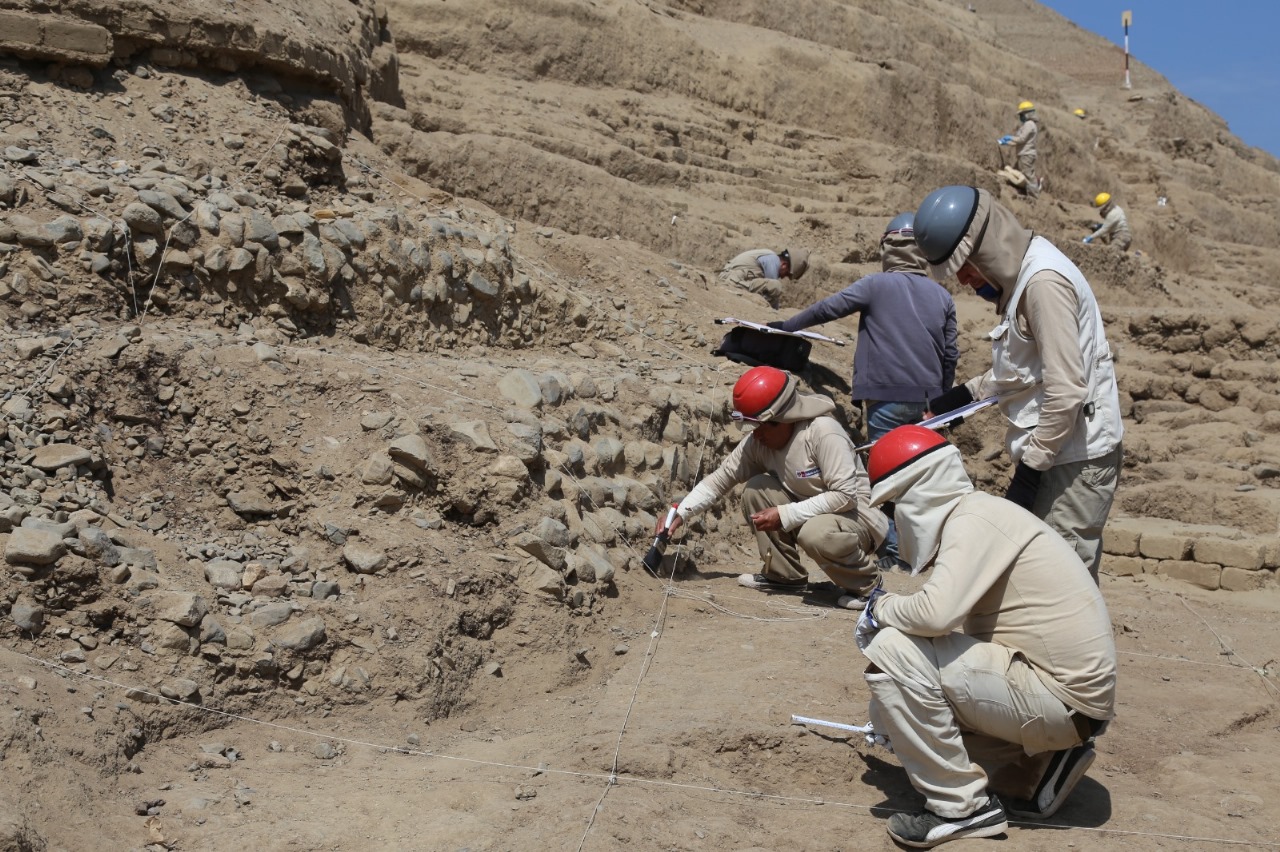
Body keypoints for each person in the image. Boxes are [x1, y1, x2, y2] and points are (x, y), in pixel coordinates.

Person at [854, 424, 1117, 847]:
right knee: (900, 714)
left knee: (892, 650)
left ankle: (962, 809)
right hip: (1070, 702)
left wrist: (878, 609)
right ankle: (1039, 768)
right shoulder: (979, 513)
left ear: (914, 494)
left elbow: (935, 615)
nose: (893, 518)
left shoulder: (972, 520)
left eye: (892, 506)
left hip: (1060, 698)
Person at [913, 185, 1124, 580]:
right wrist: (954, 403)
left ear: (987, 249)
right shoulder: (1023, 281)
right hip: (1056, 453)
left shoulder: (1043, 285)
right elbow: (1021, 373)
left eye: (966, 266)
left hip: (1073, 460)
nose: (963, 280)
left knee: (1059, 584)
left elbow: (1066, 390)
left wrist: (1029, 474)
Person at [769, 212, 959, 572]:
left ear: (888, 248)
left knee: (886, 478)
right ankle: (930, 551)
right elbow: (950, 355)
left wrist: (787, 326)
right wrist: (941, 402)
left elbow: (829, 308)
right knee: (923, 478)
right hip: (929, 403)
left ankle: (896, 553)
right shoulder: (942, 296)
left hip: (885, 398)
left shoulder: (876, 285)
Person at [655, 365, 886, 609]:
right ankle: (784, 576)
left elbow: (844, 496)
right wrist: (681, 513)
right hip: (814, 513)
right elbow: (721, 479)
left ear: (783, 418)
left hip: (856, 519)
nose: (755, 435)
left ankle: (869, 587)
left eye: (760, 426)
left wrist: (786, 514)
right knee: (757, 489)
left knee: (815, 533)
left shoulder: (823, 432)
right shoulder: (759, 441)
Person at [718, 247, 810, 308]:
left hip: (734, 280)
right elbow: (774, 296)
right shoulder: (773, 260)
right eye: (786, 274)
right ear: (784, 265)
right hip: (730, 280)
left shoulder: (769, 257)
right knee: (775, 286)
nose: (783, 277)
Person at [997, 101, 1040, 197]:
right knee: (1024, 174)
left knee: (1028, 176)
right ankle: (1028, 192)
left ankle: (1033, 196)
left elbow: (1021, 139)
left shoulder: (1029, 124)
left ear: (1027, 114)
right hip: (1025, 154)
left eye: (1022, 114)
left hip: (1026, 155)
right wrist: (1006, 143)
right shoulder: (1029, 125)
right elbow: (1019, 141)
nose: (1021, 117)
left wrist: (1010, 138)